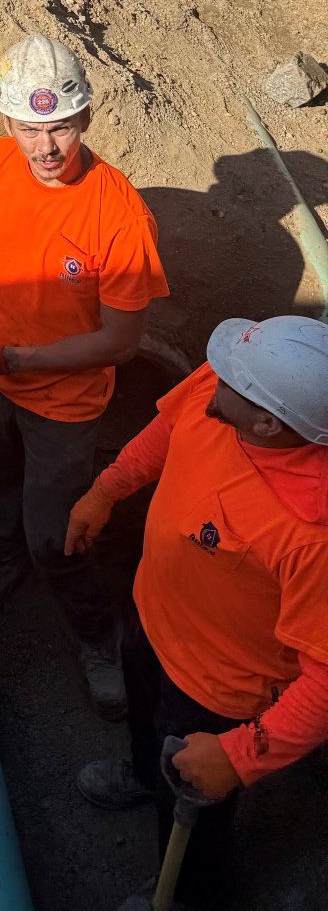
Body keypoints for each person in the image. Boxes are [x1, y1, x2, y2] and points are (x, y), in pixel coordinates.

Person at [0, 33, 168, 717]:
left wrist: (14, 361)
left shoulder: (118, 211)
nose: (46, 148)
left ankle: (98, 638)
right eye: (29, 128)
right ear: (5, 124)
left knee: (55, 535)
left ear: (86, 117)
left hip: (65, 402)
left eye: (59, 127)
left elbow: (119, 340)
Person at [71, 315, 328, 911]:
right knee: (147, 727)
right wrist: (106, 490)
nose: (211, 376)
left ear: (267, 422)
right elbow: (168, 428)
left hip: (216, 693)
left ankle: (191, 894)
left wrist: (238, 756)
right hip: (152, 615)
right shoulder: (235, 386)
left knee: (193, 804)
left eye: (227, 380)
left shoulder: (310, 535)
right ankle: (142, 773)